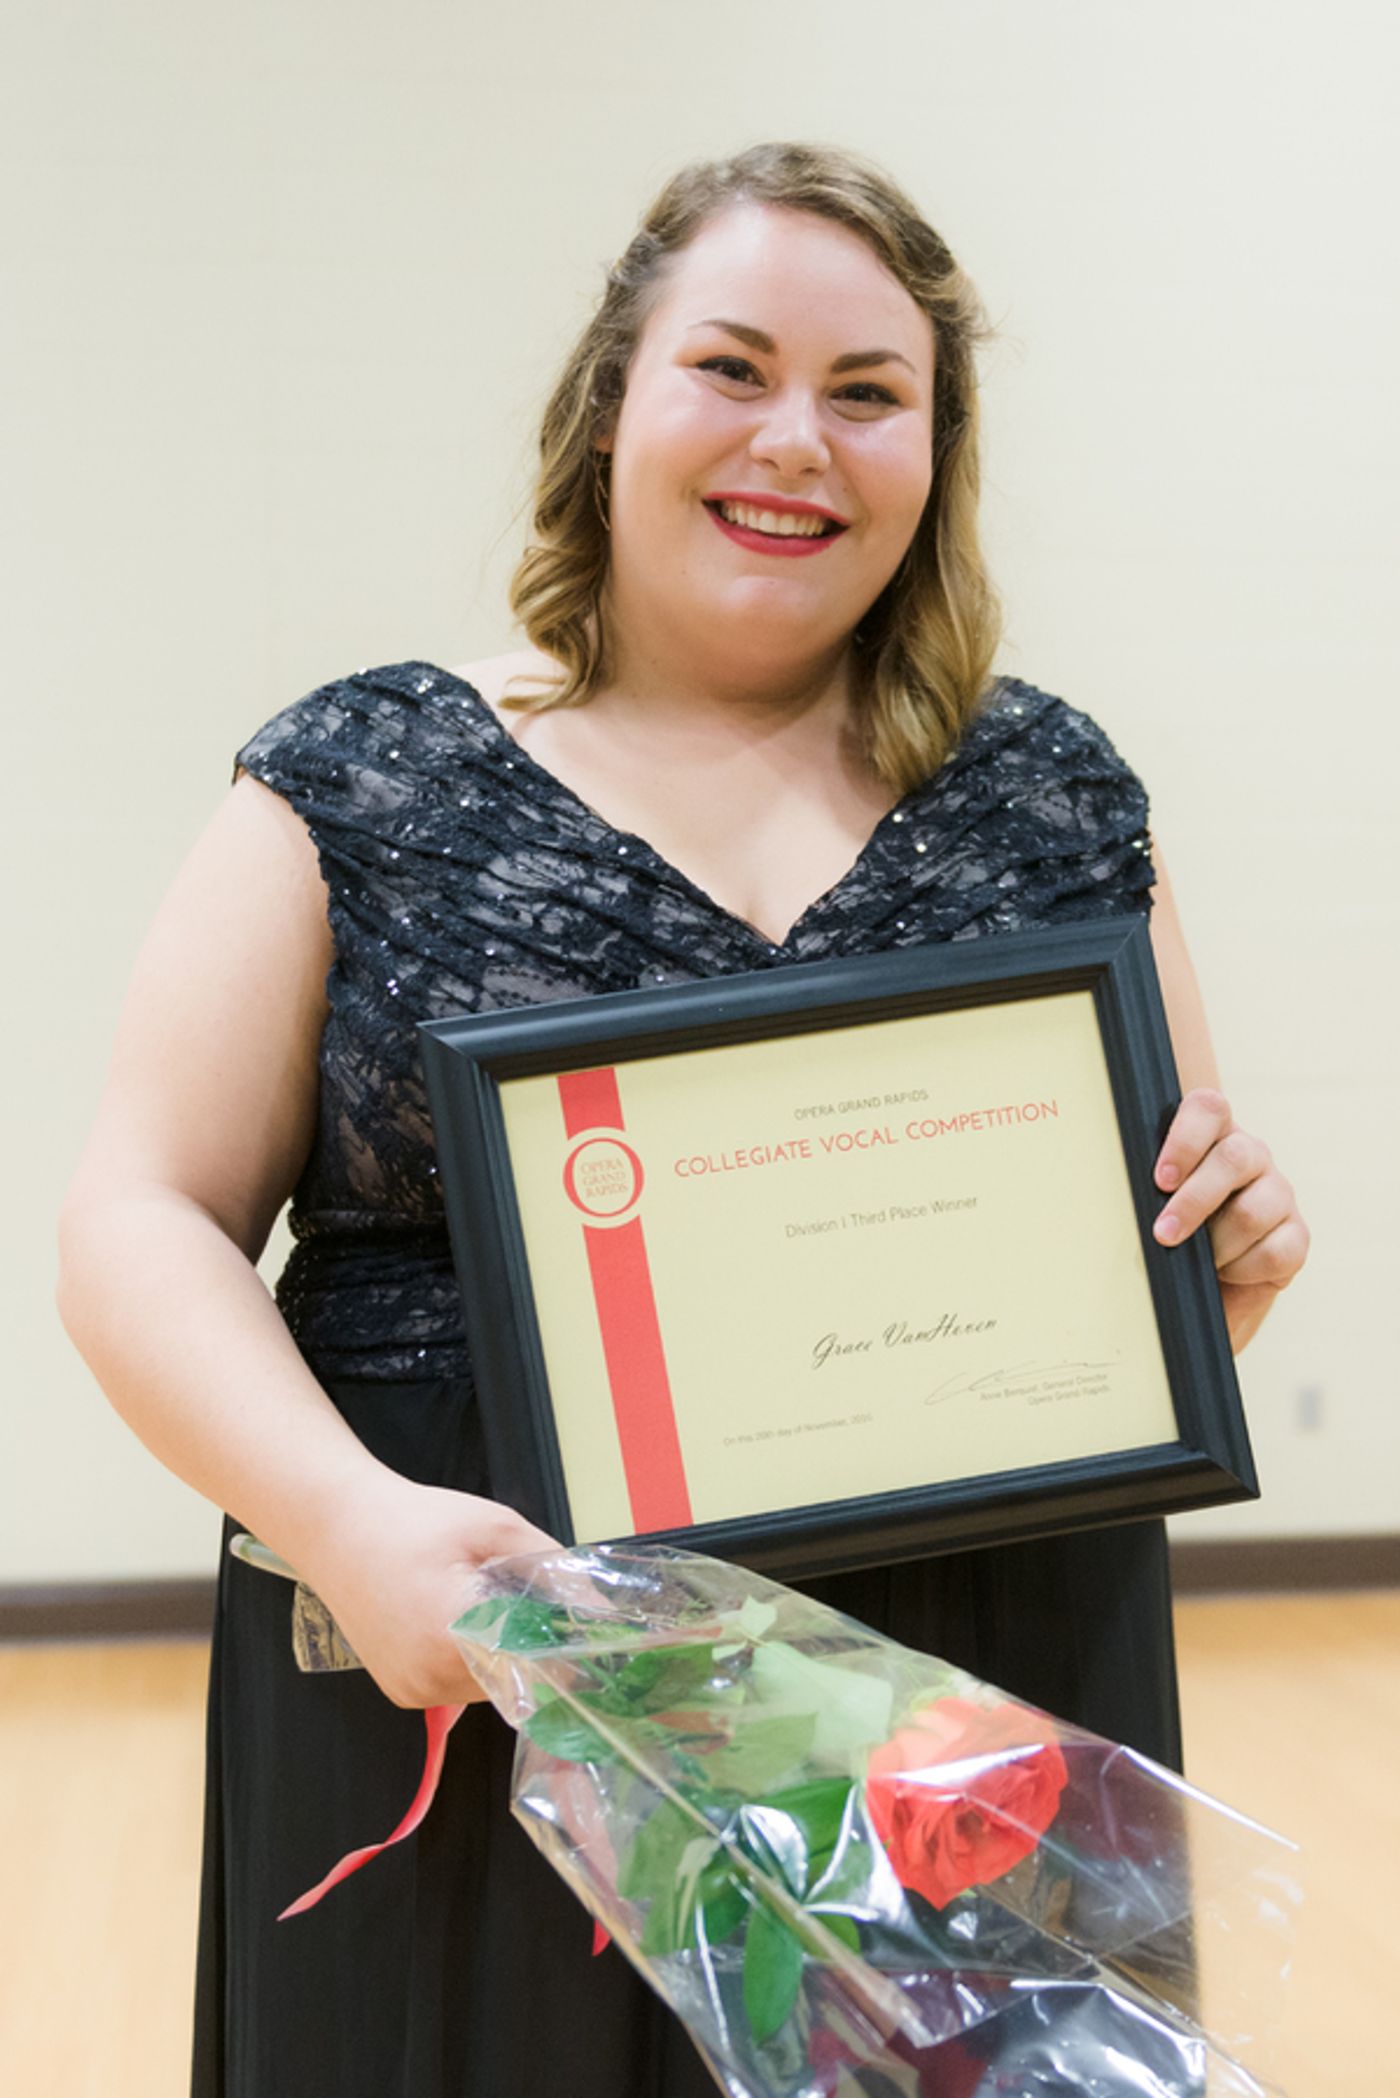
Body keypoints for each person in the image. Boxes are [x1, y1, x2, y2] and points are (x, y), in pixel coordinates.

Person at [57, 143, 1308, 2098]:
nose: (794, 438)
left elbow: (1128, 1293)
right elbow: (140, 1215)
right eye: (731, 366)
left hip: (958, 1712)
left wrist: (1210, 1268)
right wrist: (351, 1526)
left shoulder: (1058, 798)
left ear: (934, 449)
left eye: (868, 390)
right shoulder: (361, 775)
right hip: (460, 1690)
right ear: (608, 410)